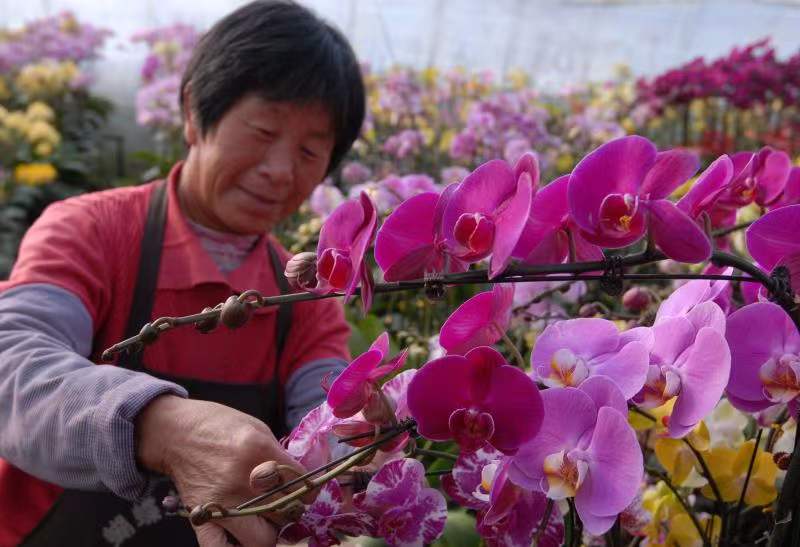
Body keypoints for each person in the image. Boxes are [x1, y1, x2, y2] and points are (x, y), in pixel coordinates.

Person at [0, 1, 365, 545]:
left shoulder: (305, 301)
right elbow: (12, 366)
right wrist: (160, 426)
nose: (281, 170)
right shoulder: (92, 231)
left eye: (312, 150)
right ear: (195, 113)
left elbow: (330, 421)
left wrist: (364, 440)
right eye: (264, 131)